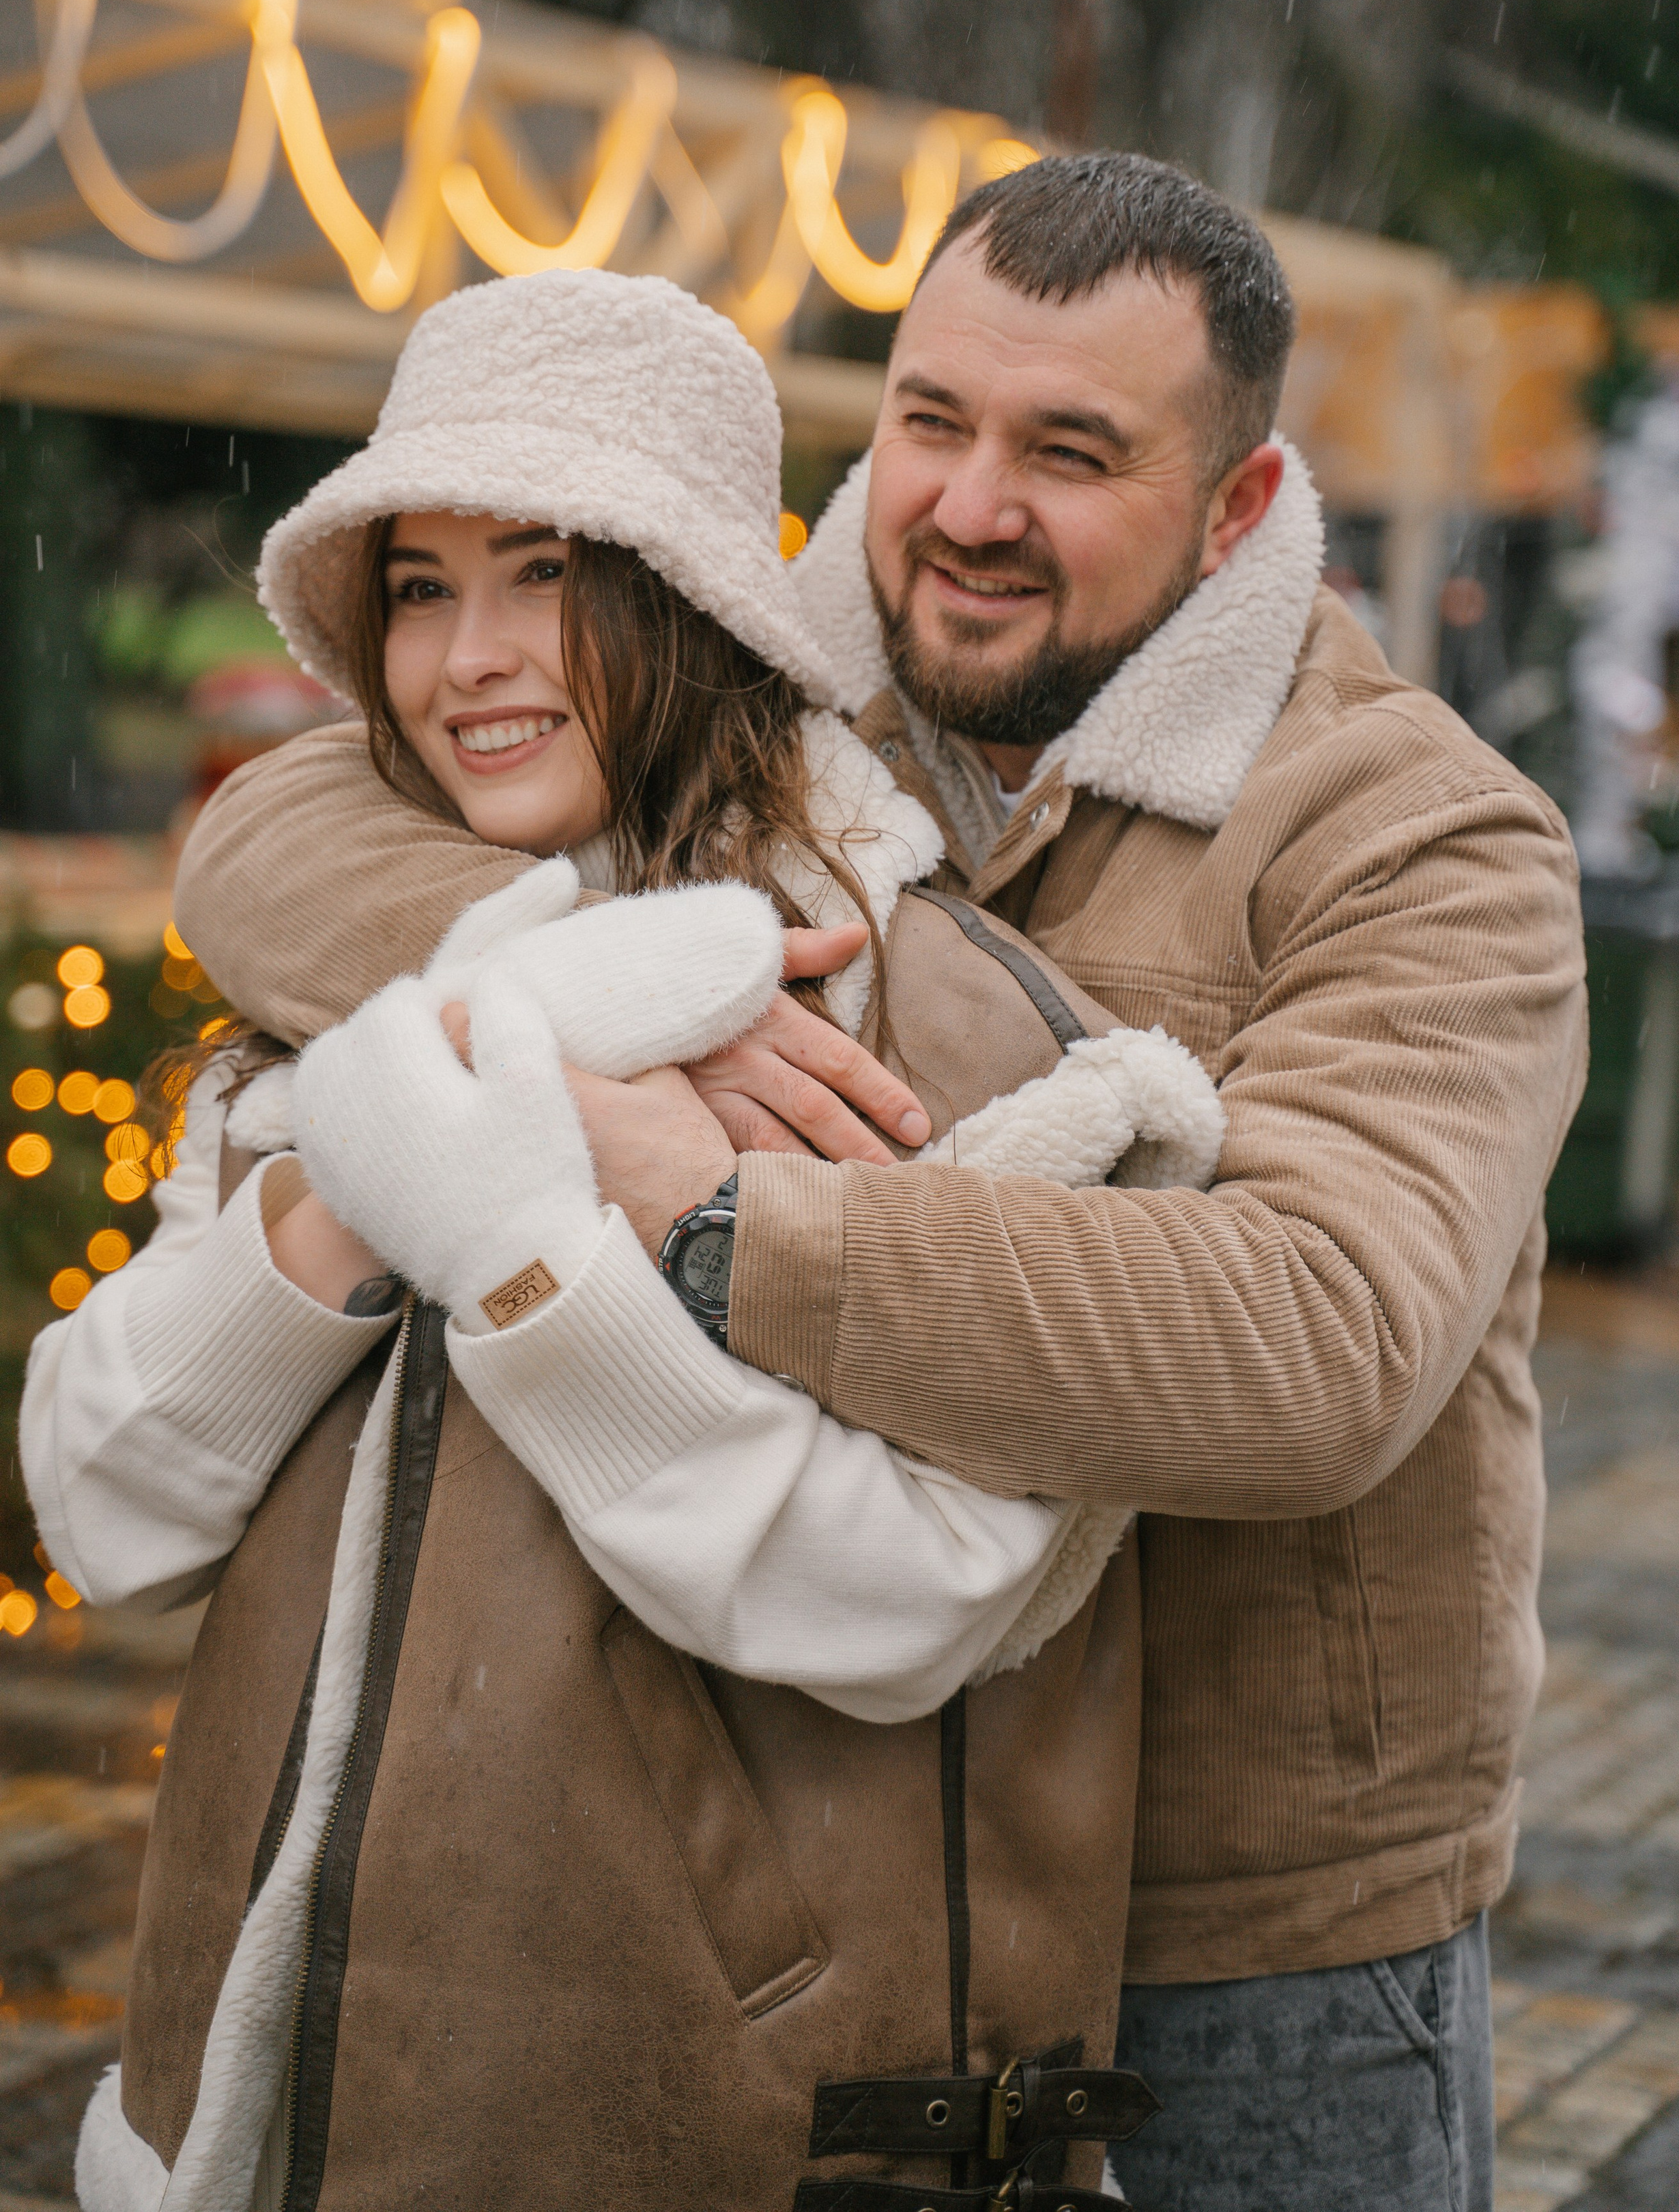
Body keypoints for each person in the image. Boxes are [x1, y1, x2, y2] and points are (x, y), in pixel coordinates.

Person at [180, 154, 1591, 2212]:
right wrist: (582, 994)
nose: (970, 505)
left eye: (1074, 452)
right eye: (932, 421)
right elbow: (278, 837)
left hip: (1234, 1915)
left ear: (1242, 510)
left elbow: (1317, 1346)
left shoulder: (1421, 836)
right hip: (814, 1826)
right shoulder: (768, 666)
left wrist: (710, 1201)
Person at [26, 269, 1232, 2210]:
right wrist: (367, 1166)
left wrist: (528, 1260)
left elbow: (916, 1603)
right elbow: (104, 1506)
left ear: (686, 604)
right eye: (420, 586)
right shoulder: (358, 987)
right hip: (248, 2139)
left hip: (671, 2131)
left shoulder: (941, 1035)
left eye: (545, 574)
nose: (468, 661)